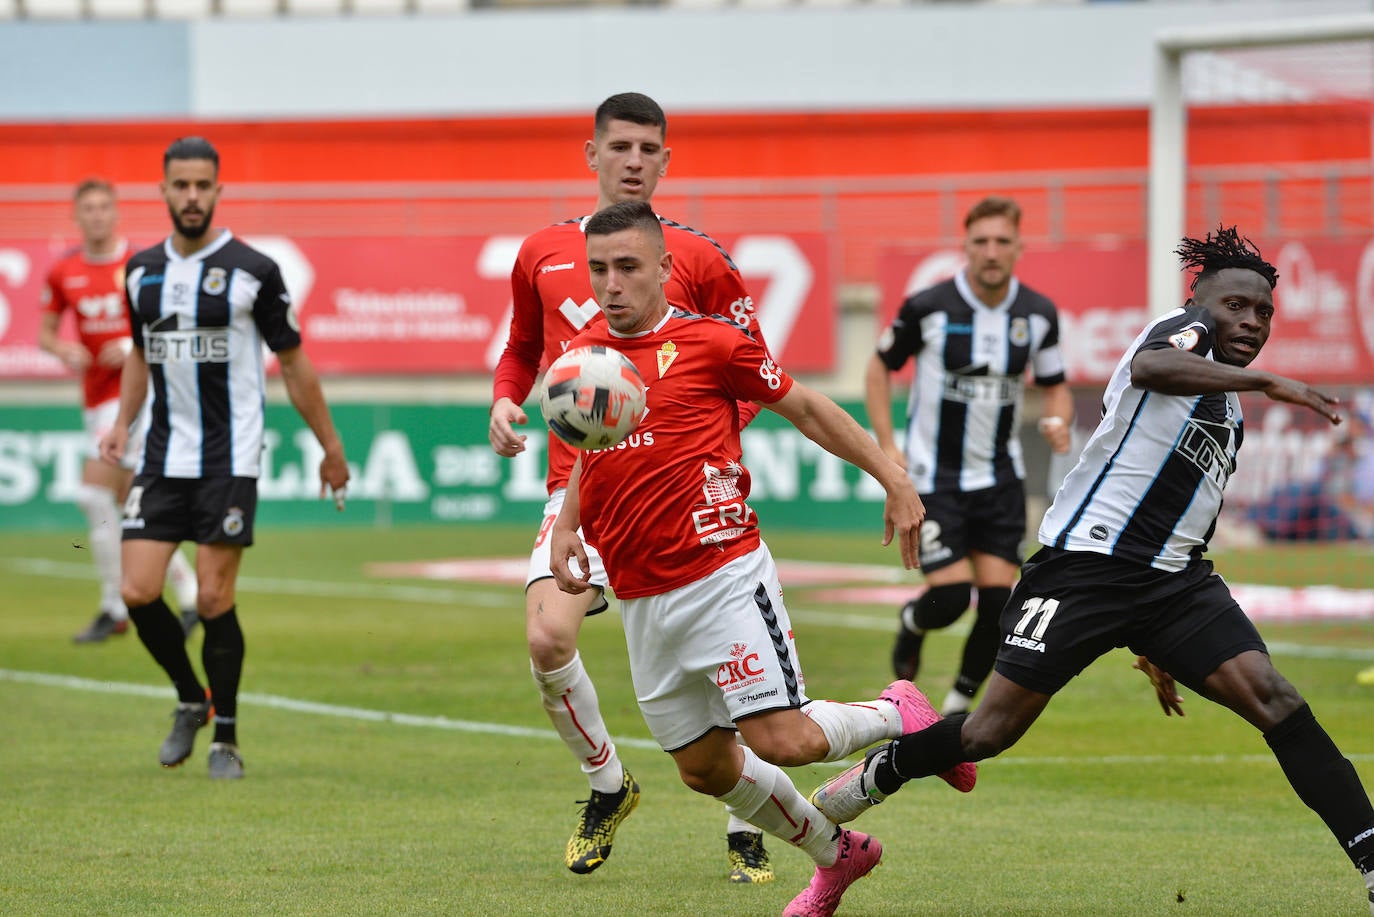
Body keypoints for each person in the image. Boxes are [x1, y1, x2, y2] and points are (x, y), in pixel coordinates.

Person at [810, 226, 1374, 914]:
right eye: (1237, 306)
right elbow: (1152, 369)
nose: (1250, 323)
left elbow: (1183, 511)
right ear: (1201, 300)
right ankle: (886, 766)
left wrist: (1157, 636)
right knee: (989, 733)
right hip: (1082, 570)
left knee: (1277, 700)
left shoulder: (1228, 411)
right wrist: (1268, 379)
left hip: (1172, 585)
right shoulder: (1180, 330)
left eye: (1263, 314)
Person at [549, 201, 977, 917]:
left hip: (723, 576)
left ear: (663, 266)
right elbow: (593, 448)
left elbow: (807, 408)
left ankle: (897, 711)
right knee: (704, 768)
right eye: (598, 268)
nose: (611, 283)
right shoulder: (586, 355)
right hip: (641, 596)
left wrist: (893, 477)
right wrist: (569, 524)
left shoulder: (713, 343)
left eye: (627, 266)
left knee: (783, 739)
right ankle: (838, 856)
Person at [488, 92, 776, 881]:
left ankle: (744, 821)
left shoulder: (702, 258)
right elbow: (522, 348)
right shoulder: (542, 251)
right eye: (620, 147)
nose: (634, 161)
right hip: (578, 489)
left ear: (666, 159)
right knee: (548, 638)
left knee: (726, 665)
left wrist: (698, 443)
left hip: (684, 493)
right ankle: (607, 784)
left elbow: (752, 368)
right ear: (591, 154)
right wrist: (504, 400)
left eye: (649, 148)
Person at [99, 137, 349, 780]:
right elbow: (138, 353)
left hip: (229, 458)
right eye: (180, 186)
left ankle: (227, 739)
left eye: (202, 186)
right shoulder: (140, 271)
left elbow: (292, 362)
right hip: (160, 454)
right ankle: (191, 697)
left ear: (217, 190)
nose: (191, 197)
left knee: (212, 599)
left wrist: (330, 446)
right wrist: (121, 424)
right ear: (162, 191)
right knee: (137, 590)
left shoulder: (253, 270)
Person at [866, 195, 1073, 716]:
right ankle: (913, 624)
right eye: (981, 242)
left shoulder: (1038, 313)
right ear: (965, 246)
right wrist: (888, 446)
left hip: (1001, 479)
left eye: (1002, 241)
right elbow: (878, 367)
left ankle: (957, 711)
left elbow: (1055, 385)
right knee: (953, 598)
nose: (991, 252)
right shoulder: (929, 307)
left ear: (1018, 247)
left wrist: (1058, 419)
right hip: (936, 479)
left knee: (1000, 605)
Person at [38, 178, 199, 643]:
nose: (97, 215)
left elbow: (172, 322)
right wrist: (63, 349)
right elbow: (46, 333)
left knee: (94, 496)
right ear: (77, 215)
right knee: (132, 503)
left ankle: (116, 606)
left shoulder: (141, 263)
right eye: (87, 208)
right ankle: (186, 596)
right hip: (94, 398)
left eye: (104, 207)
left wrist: (131, 344)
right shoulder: (63, 271)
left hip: (139, 394)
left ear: (116, 213)